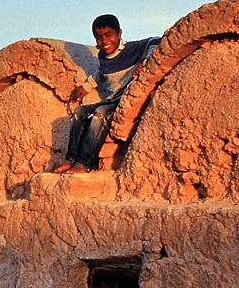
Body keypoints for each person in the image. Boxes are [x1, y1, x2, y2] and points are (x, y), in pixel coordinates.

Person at [57, 14, 162, 171]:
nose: (104, 41)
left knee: (99, 115)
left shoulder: (131, 49)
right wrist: (86, 87)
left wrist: (145, 62)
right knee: (79, 113)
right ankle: (70, 158)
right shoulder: (103, 57)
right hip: (111, 99)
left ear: (119, 34)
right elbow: (101, 72)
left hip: (125, 99)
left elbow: (156, 40)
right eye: (99, 38)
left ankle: (84, 163)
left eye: (108, 35)